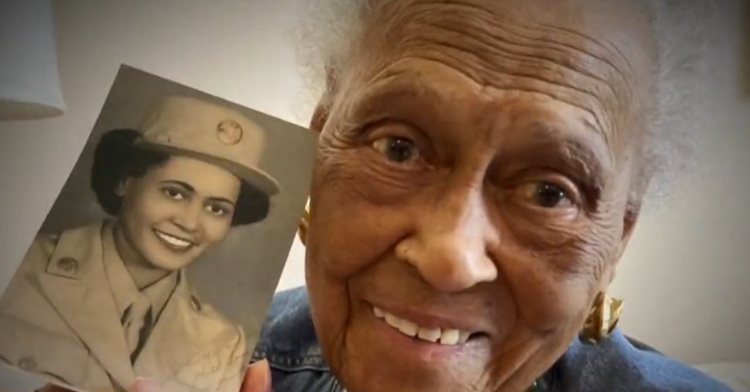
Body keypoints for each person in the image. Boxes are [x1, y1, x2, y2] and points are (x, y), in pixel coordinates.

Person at [44, 0, 735, 391]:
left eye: (550, 191)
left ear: (617, 240)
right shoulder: (197, 367)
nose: (448, 258)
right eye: (398, 148)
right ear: (318, 147)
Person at [0, 95, 281, 392]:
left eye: (216, 209)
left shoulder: (224, 342)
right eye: (174, 193)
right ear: (124, 182)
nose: (189, 223)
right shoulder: (18, 263)